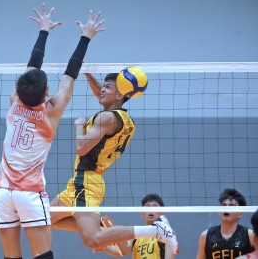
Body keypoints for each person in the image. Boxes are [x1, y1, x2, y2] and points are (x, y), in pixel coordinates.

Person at [0, 3, 105, 259]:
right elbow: (70, 74)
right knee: (43, 257)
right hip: (28, 194)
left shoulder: (14, 102)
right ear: (45, 93)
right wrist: (86, 37)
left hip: (2, 193)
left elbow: (31, 68)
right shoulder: (51, 112)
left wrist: (43, 32)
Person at [49, 72, 179, 255]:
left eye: (107, 87)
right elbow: (106, 97)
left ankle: (155, 230)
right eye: (102, 86)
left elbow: (81, 147)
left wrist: (79, 126)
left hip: (86, 183)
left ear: (119, 95)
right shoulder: (124, 120)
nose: (101, 90)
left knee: (92, 240)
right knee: (43, 220)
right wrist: (87, 73)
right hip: (83, 181)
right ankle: (104, 229)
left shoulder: (106, 119)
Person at [99, 193, 176, 259]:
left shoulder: (167, 232)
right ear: (142, 213)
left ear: (162, 212)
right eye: (147, 207)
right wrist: (105, 247)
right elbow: (122, 250)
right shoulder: (136, 235)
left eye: (155, 206)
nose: (151, 209)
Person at [196, 188, 255, 259]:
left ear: (240, 213)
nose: (226, 208)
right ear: (219, 211)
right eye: (224, 205)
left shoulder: (250, 236)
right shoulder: (205, 236)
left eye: (232, 206)